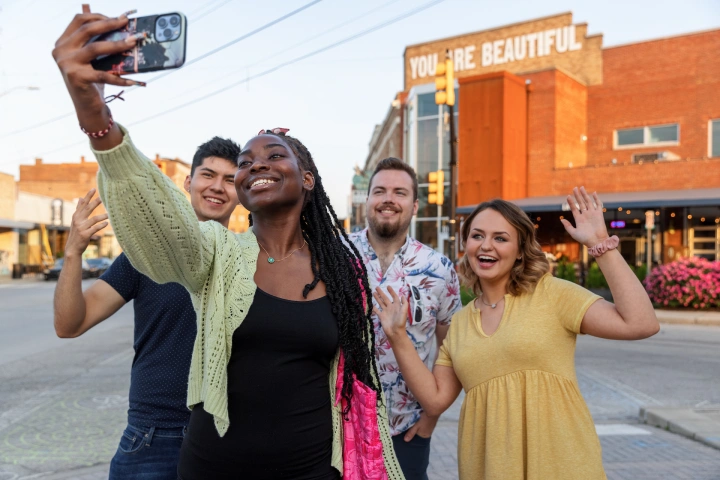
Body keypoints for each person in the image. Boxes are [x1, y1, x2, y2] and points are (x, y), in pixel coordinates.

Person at [52, 10, 404, 480]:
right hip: (211, 464)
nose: (255, 164)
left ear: (307, 178)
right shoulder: (218, 250)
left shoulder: (343, 270)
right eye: (245, 161)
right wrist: (94, 114)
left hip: (314, 468)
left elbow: (357, 387)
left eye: (274, 154)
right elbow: (164, 219)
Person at [374, 188, 660, 480]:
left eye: (500, 238)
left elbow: (640, 323)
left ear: (521, 250)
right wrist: (398, 336)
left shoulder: (552, 293)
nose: (486, 246)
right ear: (466, 245)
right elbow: (435, 400)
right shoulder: (459, 324)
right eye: (477, 236)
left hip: (563, 466)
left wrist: (601, 244)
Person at [53, 136, 241, 479]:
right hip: (155, 437)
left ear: (241, 191)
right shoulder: (143, 256)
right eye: (208, 175)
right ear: (189, 182)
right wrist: (73, 252)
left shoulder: (249, 260)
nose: (217, 187)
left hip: (227, 437)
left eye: (230, 179)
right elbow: (70, 324)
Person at [348, 158, 460, 480]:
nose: (388, 199)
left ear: (414, 205)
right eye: (380, 190)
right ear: (367, 200)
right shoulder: (336, 255)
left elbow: (452, 348)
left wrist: (433, 414)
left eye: (399, 192)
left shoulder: (438, 269)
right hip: (339, 427)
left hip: (407, 430)